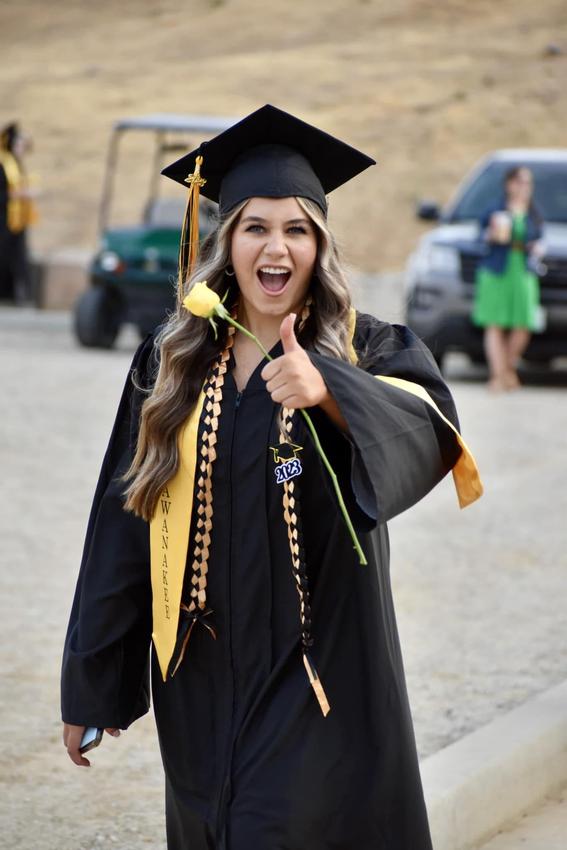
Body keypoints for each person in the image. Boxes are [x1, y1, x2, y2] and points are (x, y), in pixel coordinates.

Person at [61, 105, 482, 850]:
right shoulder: (172, 364)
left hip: (317, 675)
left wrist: (332, 393)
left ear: (319, 245)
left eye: (296, 229)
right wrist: (95, 684)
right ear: (227, 244)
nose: (275, 246)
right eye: (255, 227)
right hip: (200, 673)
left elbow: (431, 429)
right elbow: (123, 522)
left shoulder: (367, 349)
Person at [472, 166, 544, 391]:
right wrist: (491, 235)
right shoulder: (496, 209)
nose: (525, 188)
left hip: (522, 271)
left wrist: (538, 247)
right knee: (495, 324)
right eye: (521, 182)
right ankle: (498, 375)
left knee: (523, 323)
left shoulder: (533, 212)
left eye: (528, 183)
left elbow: (541, 237)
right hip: (496, 271)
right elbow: (479, 237)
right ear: (509, 184)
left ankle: (507, 370)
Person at [0, 122, 37, 304]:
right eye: (19, 145)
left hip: (17, 220)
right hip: (3, 219)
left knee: (19, 257)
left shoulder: (17, 164)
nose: (22, 149)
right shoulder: (3, 165)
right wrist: (17, 194)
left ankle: (14, 294)